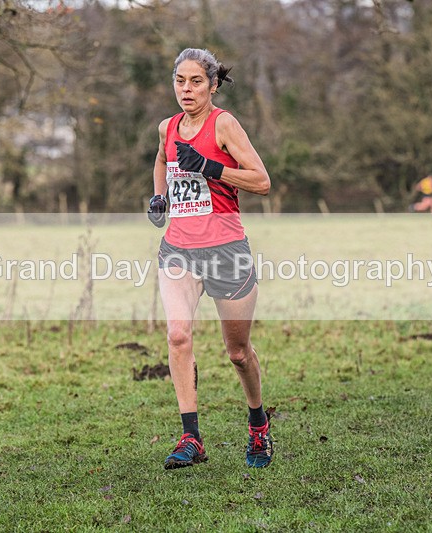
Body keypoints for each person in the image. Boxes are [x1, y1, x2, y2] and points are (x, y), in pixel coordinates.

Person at [147, 48, 274, 469]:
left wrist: (210, 167)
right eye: (180, 81)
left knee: (237, 352)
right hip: (179, 249)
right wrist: (160, 198)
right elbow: (162, 161)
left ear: (213, 84)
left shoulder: (225, 124)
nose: (186, 89)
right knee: (178, 335)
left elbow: (261, 181)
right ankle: (191, 438)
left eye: (196, 81)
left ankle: (258, 424)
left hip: (225, 250)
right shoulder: (167, 127)